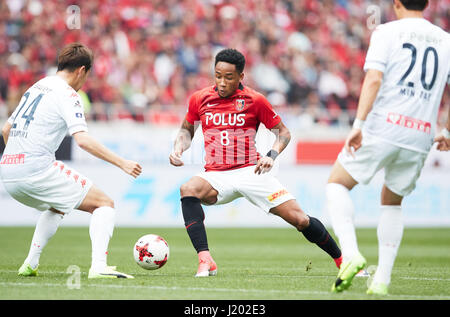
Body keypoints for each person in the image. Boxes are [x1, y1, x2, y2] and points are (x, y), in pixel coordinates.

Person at [169, 48, 343, 277]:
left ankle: (343, 261)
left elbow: (283, 133)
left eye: (228, 77)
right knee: (188, 189)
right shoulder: (200, 98)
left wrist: (271, 156)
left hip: (251, 172)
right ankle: (205, 259)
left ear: (241, 77)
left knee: (300, 220)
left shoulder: (255, 100)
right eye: (217, 76)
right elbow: (186, 130)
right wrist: (179, 147)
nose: (222, 82)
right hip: (216, 175)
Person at [326, 0, 450, 295]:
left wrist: (357, 124)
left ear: (396, 4)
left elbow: (374, 78)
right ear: (428, 4)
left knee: (336, 184)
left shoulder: (386, 31)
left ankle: (351, 253)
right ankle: (382, 279)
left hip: (383, 126)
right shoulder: (446, 40)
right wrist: (445, 129)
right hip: (421, 134)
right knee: (392, 202)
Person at [0, 43, 142, 279]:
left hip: (8, 172)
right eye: (86, 76)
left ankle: (30, 263)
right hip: (36, 170)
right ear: (81, 70)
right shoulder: (68, 94)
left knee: (58, 206)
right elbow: (83, 141)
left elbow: (7, 129)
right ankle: (98, 267)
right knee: (104, 204)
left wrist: (18, 157)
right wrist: (122, 163)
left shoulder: (37, 86)